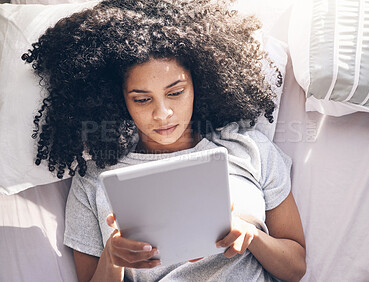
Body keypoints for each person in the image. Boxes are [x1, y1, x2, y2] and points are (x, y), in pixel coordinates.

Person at [22, 0, 306, 281]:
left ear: (200, 83)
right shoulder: (94, 178)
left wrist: (251, 235)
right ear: (117, 99)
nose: (162, 114)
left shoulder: (250, 149)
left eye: (176, 92)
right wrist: (112, 258)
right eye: (143, 99)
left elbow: (296, 267)